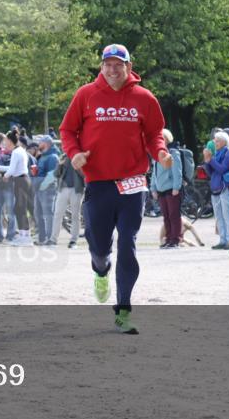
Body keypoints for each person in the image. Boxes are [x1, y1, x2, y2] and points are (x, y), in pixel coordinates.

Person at [59, 43, 172, 335]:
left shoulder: (144, 98)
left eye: (118, 64)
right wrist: (74, 155)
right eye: (107, 64)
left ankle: (123, 309)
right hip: (98, 182)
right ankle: (100, 269)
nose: (112, 70)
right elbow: (68, 130)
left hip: (133, 183)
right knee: (98, 244)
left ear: (128, 68)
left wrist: (159, 152)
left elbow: (154, 134)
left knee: (128, 244)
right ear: (101, 67)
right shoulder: (86, 95)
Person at [203, 131, 229, 249]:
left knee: (227, 214)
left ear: (225, 141)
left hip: (226, 188)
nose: (215, 143)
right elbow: (211, 172)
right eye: (215, 140)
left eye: (217, 140)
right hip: (216, 188)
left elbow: (222, 169)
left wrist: (211, 160)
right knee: (218, 216)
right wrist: (207, 161)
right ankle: (223, 240)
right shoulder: (217, 153)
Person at [0, 131, 32, 245]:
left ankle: (25, 237)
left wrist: (5, 177)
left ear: (10, 141)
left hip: (20, 181)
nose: (5, 143)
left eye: (6, 140)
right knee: (19, 208)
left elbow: (11, 170)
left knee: (20, 209)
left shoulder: (16, 152)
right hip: (22, 180)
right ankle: (24, 235)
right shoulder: (20, 150)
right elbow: (11, 167)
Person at [151, 128, 183, 249]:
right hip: (160, 189)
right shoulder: (157, 154)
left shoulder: (173, 152)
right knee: (166, 216)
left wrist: (176, 187)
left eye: (161, 138)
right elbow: (154, 173)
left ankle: (176, 240)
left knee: (174, 215)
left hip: (171, 188)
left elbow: (177, 171)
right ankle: (169, 238)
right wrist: (153, 188)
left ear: (166, 139)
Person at [50, 148, 86, 249]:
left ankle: (73, 241)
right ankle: (53, 240)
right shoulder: (63, 157)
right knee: (57, 214)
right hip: (63, 189)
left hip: (77, 189)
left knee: (75, 216)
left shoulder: (80, 157)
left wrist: (77, 167)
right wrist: (60, 164)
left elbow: (85, 175)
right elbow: (56, 174)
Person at [32, 135, 59, 246]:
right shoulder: (42, 156)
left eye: (40, 142)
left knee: (48, 214)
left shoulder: (53, 157)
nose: (38, 144)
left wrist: (41, 185)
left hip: (47, 189)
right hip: (39, 189)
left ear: (46, 143)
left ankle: (50, 239)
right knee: (38, 213)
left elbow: (52, 175)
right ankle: (42, 238)